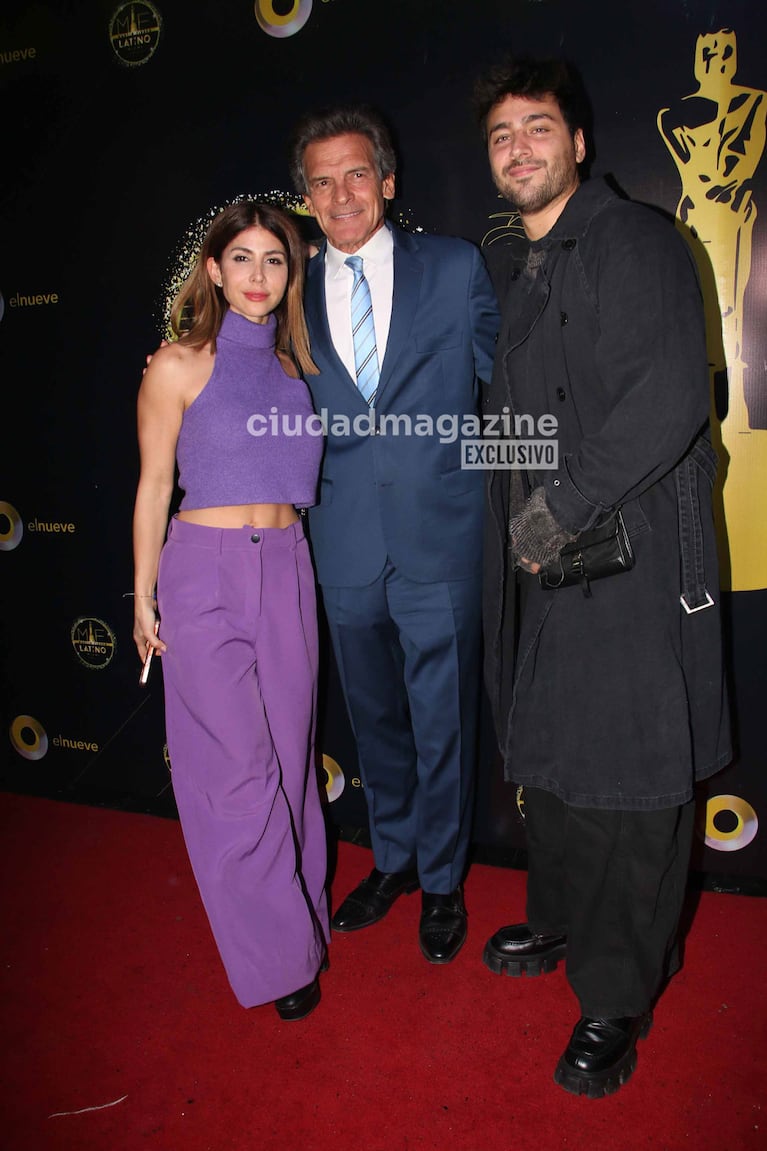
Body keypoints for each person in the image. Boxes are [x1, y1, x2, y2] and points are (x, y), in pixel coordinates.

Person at [472, 57, 731, 1096]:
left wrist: (549, 512)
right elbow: (518, 425)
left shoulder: (633, 242)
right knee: (561, 770)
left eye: (537, 128)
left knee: (632, 791)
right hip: (551, 569)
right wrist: (480, 508)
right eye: (499, 137)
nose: (518, 149)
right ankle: (569, 921)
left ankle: (614, 996)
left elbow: (667, 398)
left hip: (629, 568)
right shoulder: (530, 274)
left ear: (578, 144)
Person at [287, 105, 499, 963]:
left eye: (354, 173)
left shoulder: (454, 268)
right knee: (373, 718)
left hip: (441, 533)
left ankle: (443, 880)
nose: (340, 194)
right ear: (304, 195)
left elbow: (512, 379)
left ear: (387, 179)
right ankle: (396, 857)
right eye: (320, 180)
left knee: (442, 719)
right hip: (339, 540)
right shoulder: (286, 289)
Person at [132, 200, 330, 1021]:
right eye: (241, 258)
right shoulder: (175, 366)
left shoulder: (297, 372)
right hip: (202, 576)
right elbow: (151, 487)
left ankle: (304, 921)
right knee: (239, 775)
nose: (258, 276)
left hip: (287, 569)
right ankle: (282, 957)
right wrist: (141, 596)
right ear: (212, 269)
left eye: (274, 260)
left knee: (289, 764)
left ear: (292, 274)